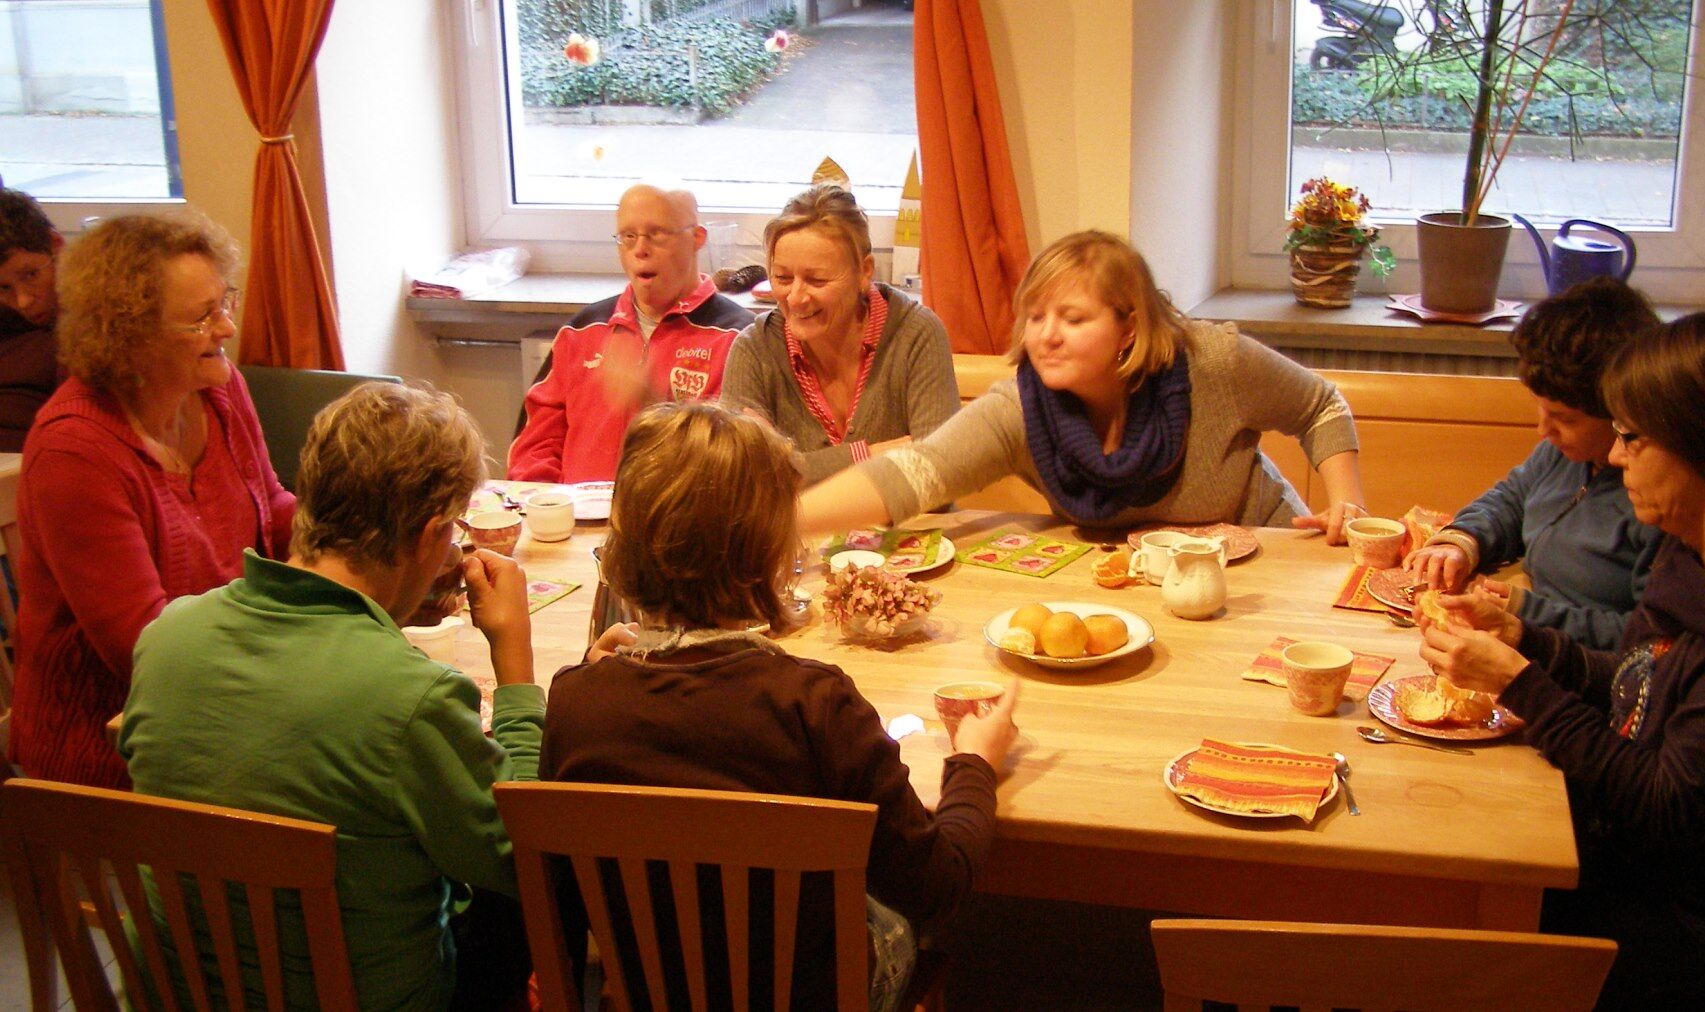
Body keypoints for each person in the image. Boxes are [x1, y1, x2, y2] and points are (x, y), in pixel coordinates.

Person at [541, 402, 1019, 1011]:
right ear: (771, 556)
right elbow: (940, 887)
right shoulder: (815, 705)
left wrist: (591, 676)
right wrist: (976, 766)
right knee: (900, 918)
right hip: (811, 996)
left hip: (648, 992)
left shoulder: (577, 701)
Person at [1418, 311, 1705, 1010]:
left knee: (1436, 930)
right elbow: (1642, 687)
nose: (1616, 457)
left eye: (1633, 437)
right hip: (1638, 867)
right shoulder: (1699, 547)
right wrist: (1526, 640)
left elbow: (1663, 809)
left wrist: (1524, 686)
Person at [121, 382, 544, 1011]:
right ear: (431, 535)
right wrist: (514, 665)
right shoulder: (413, 699)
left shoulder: (167, 638)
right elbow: (526, 860)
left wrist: (386, 613)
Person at [797, 230, 1365, 538]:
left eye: (1073, 319)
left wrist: (1347, 503)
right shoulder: (1021, 405)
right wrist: (780, 527)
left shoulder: (1213, 358)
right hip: (1138, 603)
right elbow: (915, 472)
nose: (1046, 336)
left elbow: (1320, 405)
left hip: (1268, 561)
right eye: (1036, 316)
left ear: (1128, 326)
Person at [9, 214, 292, 789]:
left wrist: (371, 532)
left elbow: (275, 512)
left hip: (225, 699)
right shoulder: (75, 450)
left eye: (223, 302)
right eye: (202, 317)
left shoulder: (217, 387)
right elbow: (145, 647)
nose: (228, 327)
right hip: (112, 754)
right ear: (128, 334)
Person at [1403, 277, 1663, 648]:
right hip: (1527, 638)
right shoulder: (1567, 454)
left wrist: (1526, 610)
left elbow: (1645, 642)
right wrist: (1463, 541)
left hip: (1573, 663)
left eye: (1566, 419)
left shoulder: (1656, 502)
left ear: (1624, 410)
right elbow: (1514, 498)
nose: (1544, 430)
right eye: (1541, 407)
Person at [509, 182, 752, 482]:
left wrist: (652, 402)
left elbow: (734, 465)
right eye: (628, 237)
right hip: (575, 521)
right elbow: (534, 445)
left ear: (696, 238)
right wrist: (548, 509)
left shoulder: (736, 337)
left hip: (676, 522)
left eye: (657, 234)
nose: (640, 250)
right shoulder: (582, 330)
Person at [721, 183, 959, 484]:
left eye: (817, 280)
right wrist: (871, 454)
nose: (795, 298)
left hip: (911, 531)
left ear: (864, 272)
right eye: (782, 278)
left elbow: (938, 474)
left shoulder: (917, 333)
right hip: (802, 531)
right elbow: (740, 481)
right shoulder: (754, 347)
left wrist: (792, 465)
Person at [0, 188, 65, 450]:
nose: (23, 301)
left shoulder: (84, 326)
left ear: (56, 245)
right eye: (4, 288)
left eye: (30, 275)